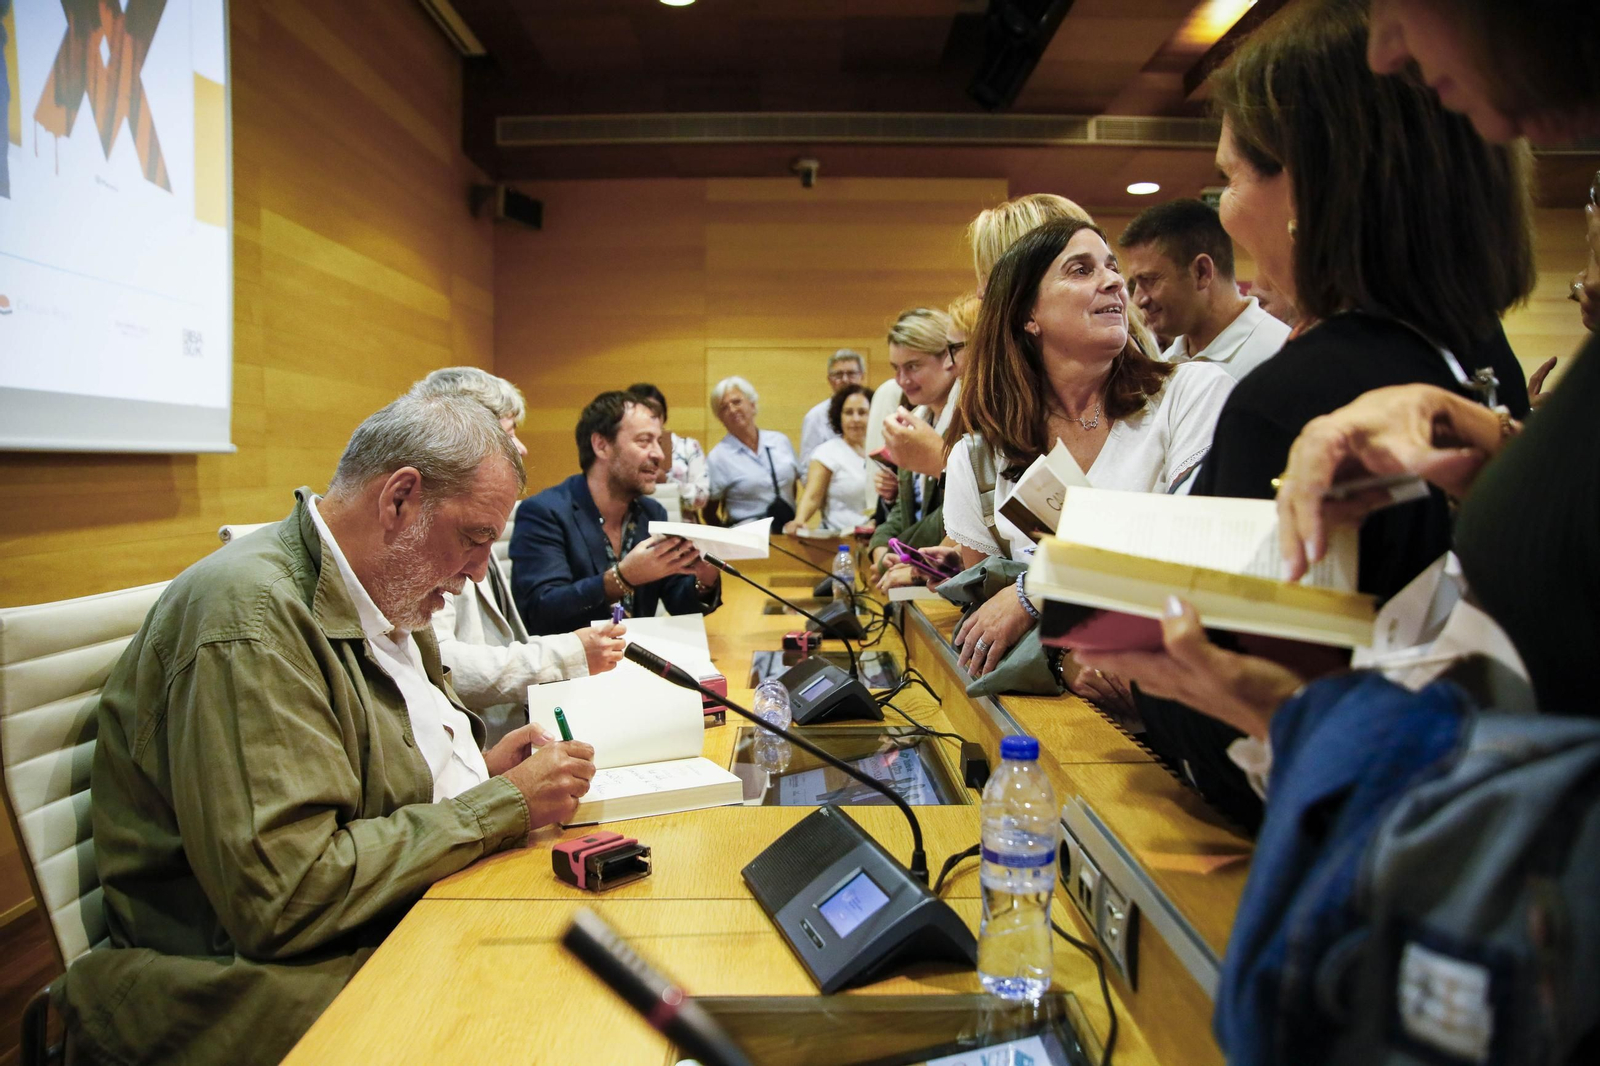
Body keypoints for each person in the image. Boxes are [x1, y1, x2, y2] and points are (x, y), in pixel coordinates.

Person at [1093, 0, 1539, 830]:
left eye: (1232, 179)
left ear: (1309, 188)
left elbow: (1243, 727)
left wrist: (1134, 673)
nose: (1226, 212)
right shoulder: (1484, 357)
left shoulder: (1295, 400)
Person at [60, 394, 598, 1065]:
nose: (479, 571)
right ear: (399, 499)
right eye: (474, 538)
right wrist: (500, 804)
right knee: (545, 1011)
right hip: (246, 977)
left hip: (375, 920)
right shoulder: (251, 623)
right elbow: (286, 896)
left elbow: (357, 785)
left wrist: (481, 774)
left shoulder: (385, 591)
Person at [941, 218, 1235, 677]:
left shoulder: (1191, 393)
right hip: (1059, 706)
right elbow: (990, 626)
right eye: (1081, 270)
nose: (1115, 281)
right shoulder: (981, 459)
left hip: (1182, 688)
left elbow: (1191, 547)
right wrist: (1065, 663)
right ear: (1028, 315)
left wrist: (1037, 591)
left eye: (1112, 267)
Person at [411, 369, 625, 739]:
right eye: (510, 433)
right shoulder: (426, 531)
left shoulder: (475, 516)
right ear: (466, 437)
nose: (522, 448)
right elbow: (441, 662)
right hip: (466, 744)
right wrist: (568, 654)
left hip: (503, 735)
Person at [511, 391, 721, 636]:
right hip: (575, 658)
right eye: (644, 441)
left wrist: (704, 580)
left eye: (658, 441)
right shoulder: (545, 512)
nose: (659, 455)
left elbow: (678, 602)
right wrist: (621, 578)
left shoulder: (651, 512)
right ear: (601, 446)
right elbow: (540, 611)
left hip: (638, 654)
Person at [1120, 198, 1290, 382]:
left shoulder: (1280, 355)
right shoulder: (1165, 363)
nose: (1138, 300)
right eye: (1136, 283)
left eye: (1149, 280)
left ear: (1201, 272)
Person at [867, 305, 964, 586]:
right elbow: (906, 506)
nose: (902, 380)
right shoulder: (918, 418)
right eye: (896, 369)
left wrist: (902, 555)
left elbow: (959, 512)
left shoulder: (971, 422)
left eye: (912, 366)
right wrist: (881, 545)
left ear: (947, 357)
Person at [705, 376, 801, 525]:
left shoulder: (780, 441)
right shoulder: (717, 457)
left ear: (752, 404)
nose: (732, 409)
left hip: (787, 530)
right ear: (720, 418)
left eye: (737, 402)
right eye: (724, 408)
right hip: (746, 533)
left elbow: (792, 485)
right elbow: (709, 512)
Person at [784, 384, 875, 533]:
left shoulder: (884, 450)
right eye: (848, 413)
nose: (856, 419)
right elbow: (812, 497)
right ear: (839, 416)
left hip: (879, 537)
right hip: (840, 538)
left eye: (862, 412)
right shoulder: (827, 453)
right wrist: (799, 520)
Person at [628, 382, 711, 517]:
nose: (648, 419)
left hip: (681, 525)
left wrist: (666, 480)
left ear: (664, 416)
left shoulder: (687, 447)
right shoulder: (625, 449)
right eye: (640, 414)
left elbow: (701, 499)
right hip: (635, 523)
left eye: (654, 413)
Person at [797, 349, 866, 472]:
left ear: (862, 376)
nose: (845, 379)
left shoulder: (874, 411)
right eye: (838, 375)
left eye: (851, 374)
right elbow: (806, 467)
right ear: (829, 380)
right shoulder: (815, 417)